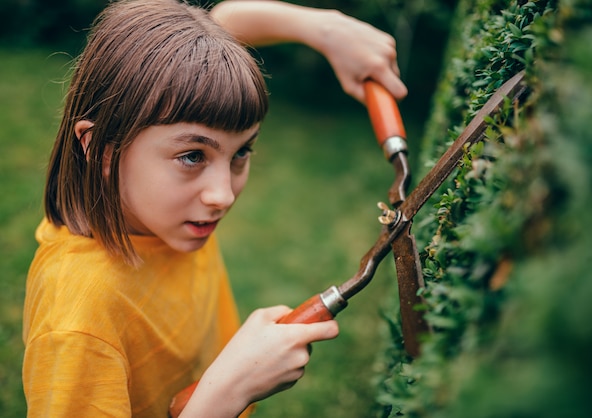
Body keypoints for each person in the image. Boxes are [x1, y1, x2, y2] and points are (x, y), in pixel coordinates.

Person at [21, 1, 407, 417]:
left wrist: (325, 30)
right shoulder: (77, 324)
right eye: (192, 156)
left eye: (242, 152)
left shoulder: (163, 214)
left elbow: (221, 25)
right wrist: (226, 395)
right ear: (101, 149)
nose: (222, 194)